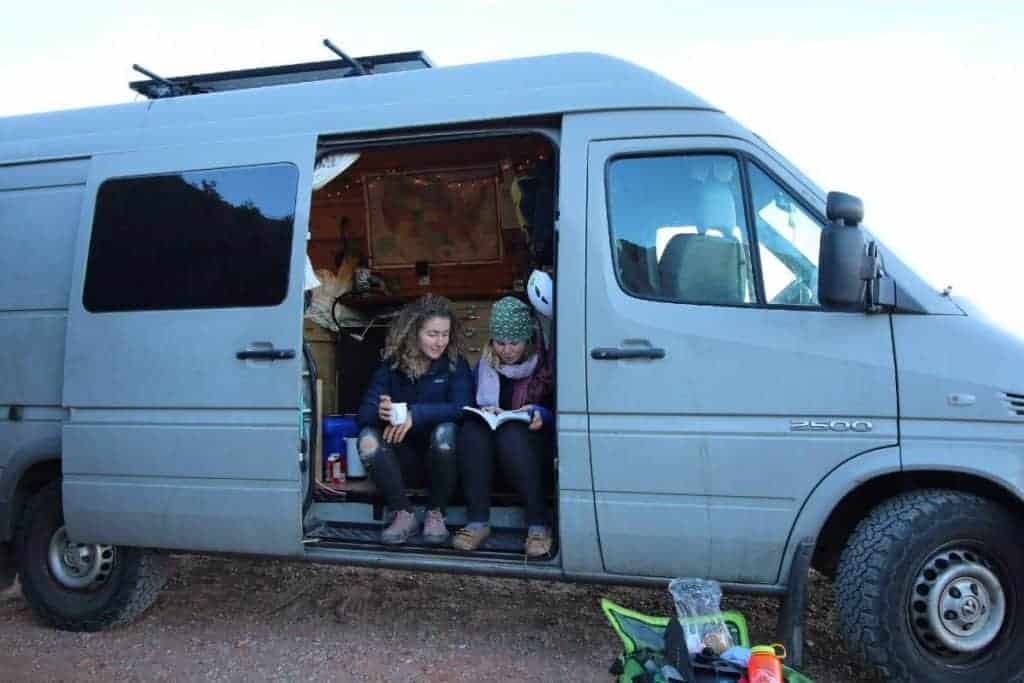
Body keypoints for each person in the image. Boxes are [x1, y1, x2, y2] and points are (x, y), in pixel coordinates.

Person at [356, 295, 473, 545]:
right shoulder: (392, 367)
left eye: (445, 334)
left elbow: (463, 408)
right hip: (402, 463)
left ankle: (436, 513)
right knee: (367, 438)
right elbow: (363, 414)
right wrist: (382, 412)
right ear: (414, 333)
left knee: (446, 431)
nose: (440, 341)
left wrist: (415, 415)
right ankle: (403, 513)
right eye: (432, 334)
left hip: (444, 461)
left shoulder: (455, 365)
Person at [454, 296, 555, 557]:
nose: (507, 350)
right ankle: (478, 522)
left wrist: (539, 413)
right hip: (492, 449)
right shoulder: (484, 367)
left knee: (512, 433)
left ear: (527, 340)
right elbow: (468, 403)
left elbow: (559, 408)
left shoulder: (544, 367)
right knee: (472, 428)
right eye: (500, 343)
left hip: (531, 446)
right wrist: (486, 411)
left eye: (514, 343)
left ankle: (538, 523)